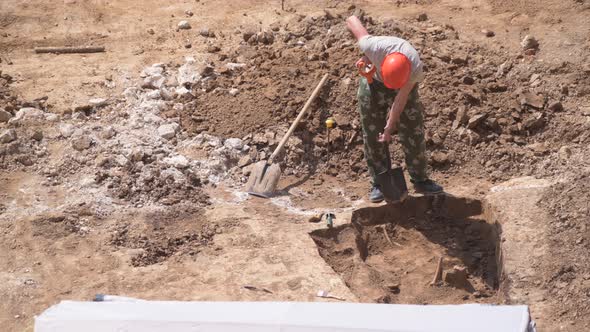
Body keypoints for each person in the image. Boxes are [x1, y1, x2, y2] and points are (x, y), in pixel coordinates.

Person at [346, 15, 443, 203]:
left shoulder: (415, 69)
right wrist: (364, 60)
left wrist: (389, 129)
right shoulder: (372, 45)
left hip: (403, 88)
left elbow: (400, 100)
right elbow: (351, 20)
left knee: (413, 130)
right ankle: (379, 183)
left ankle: (420, 179)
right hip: (373, 82)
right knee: (373, 133)